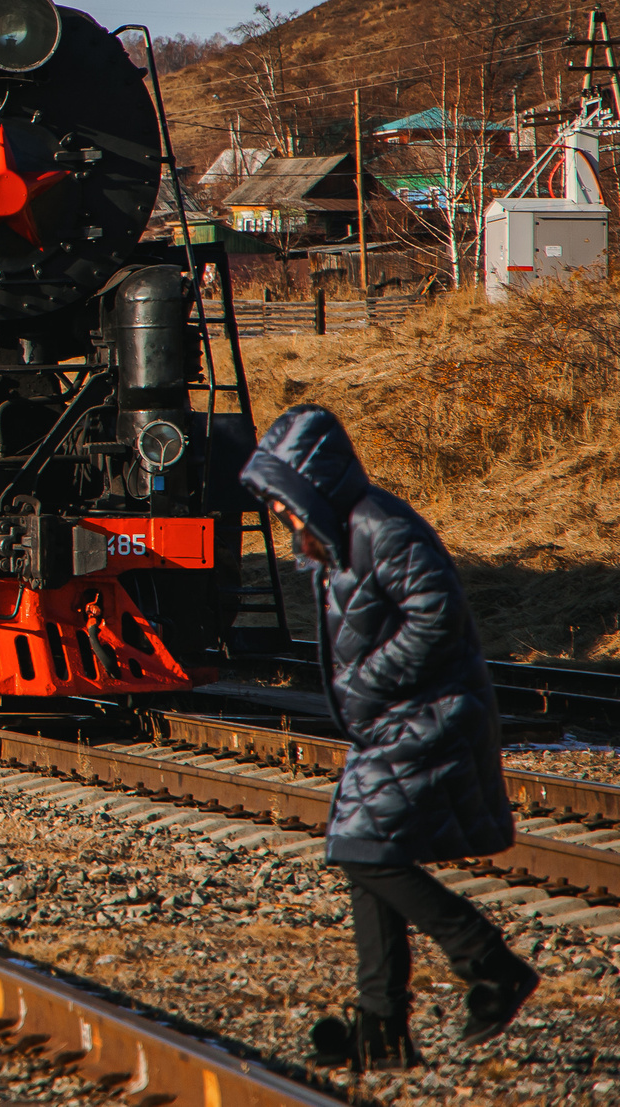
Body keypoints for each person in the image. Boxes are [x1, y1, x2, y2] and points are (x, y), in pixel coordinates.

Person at [240, 404, 536, 1072]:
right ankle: (381, 1030)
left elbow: (437, 614)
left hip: (432, 710)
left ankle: (490, 963)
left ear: (313, 484)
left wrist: (369, 682)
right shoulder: (344, 534)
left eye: (288, 504)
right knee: (361, 848)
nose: (286, 520)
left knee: (365, 852)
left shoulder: (383, 528)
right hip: (396, 716)